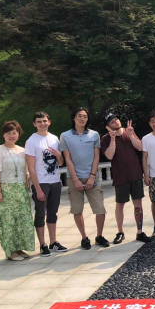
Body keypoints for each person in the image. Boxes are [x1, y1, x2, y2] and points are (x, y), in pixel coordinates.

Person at [60, 107, 108, 250]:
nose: (82, 119)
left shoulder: (94, 135)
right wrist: (75, 179)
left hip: (92, 177)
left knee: (100, 209)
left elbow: (96, 157)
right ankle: (84, 237)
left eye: (85, 116)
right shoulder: (65, 136)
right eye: (79, 116)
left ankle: (99, 236)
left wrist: (92, 176)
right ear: (73, 118)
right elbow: (67, 159)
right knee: (77, 210)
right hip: (74, 177)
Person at [101, 113, 152, 244]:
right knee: (120, 204)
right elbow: (109, 156)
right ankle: (120, 232)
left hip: (135, 174)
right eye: (112, 121)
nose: (115, 122)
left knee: (138, 204)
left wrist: (131, 135)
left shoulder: (129, 132)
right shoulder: (106, 138)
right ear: (107, 126)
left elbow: (140, 147)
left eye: (116, 119)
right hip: (120, 176)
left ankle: (139, 232)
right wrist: (113, 139)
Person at [0, 121, 35, 261]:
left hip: (20, 189)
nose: (11, 136)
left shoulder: (22, 151)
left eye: (14, 133)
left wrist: (26, 188)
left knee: (22, 220)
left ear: (18, 134)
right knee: (8, 221)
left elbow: (26, 171)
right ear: (3, 135)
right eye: (8, 133)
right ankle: (10, 251)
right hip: (6, 189)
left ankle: (19, 248)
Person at [25, 111, 66, 256]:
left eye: (44, 121)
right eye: (39, 121)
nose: (42, 124)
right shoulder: (31, 141)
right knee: (40, 213)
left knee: (53, 213)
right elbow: (31, 168)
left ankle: (53, 242)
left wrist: (59, 155)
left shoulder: (54, 138)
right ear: (34, 124)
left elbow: (60, 163)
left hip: (55, 181)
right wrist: (37, 188)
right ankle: (43, 244)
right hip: (41, 182)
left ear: (49, 122)